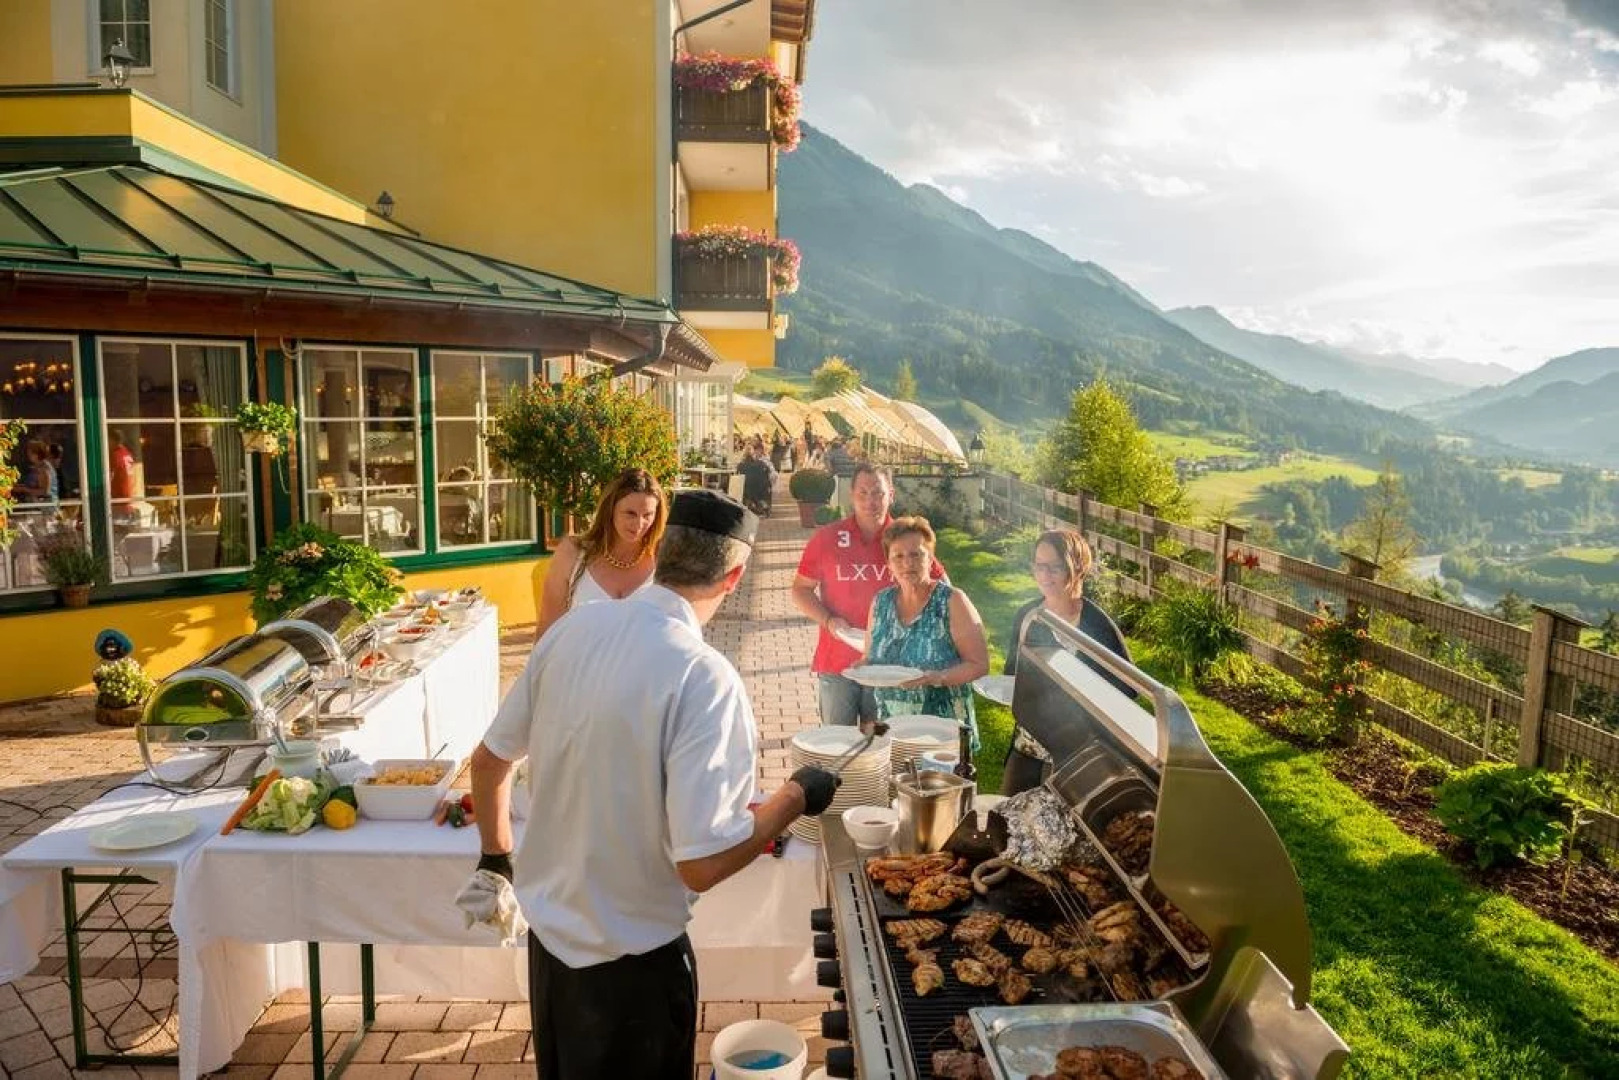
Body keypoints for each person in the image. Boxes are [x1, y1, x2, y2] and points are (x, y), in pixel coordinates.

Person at [470, 490, 840, 1080]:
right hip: (632, 971)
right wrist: (795, 796)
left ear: (659, 550)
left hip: (550, 954)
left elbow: (489, 763)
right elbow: (701, 863)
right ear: (736, 576)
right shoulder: (703, 675)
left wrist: (496, 861)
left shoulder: (572, 629)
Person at [792, 463, 943, 727]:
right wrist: (829, 620)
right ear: (851, 495)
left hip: (890, 665)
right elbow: (800, 589)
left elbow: (941, 589)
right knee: (838, 745)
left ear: (891, 495)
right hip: (837, 661)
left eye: (878, 493)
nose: (870, 501)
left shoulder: (907, 541)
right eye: (862, 493)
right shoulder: (827, 539)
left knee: (880, 746)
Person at [1000, 528, 1135, 795]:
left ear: (1078, 568)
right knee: (1007, 817)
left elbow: (1126, 690)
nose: (1044, 575)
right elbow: (1010, 677)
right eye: (1039, 566)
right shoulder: (1029, 617)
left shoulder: (1097, 625)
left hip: (1077, 753)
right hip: (1028, 745)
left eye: (1055, 567)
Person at [863, 516, 989, 747]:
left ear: (930, 559)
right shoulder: (880, 603)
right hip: (892, 726)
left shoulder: (951, 601)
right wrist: (860, 666)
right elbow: (870, 657)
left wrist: (939, 678)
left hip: (942, 731)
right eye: (898, 556)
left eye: (916, 554)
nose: (907, 563)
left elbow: (979, 664)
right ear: (888, 564)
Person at [534, 468, 666, 641]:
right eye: (630, 514)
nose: (639, 524)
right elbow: (547, 629)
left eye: (648, 515)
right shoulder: (572, 553)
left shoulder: (664, 558)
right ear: (610, 509)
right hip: (580, 666)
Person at [735, 445, 776, 517]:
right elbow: (769, 473)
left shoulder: (740, 465)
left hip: (747, 488)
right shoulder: (762, 463)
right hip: (763, 488)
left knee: (742, 485)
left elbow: (737, 476)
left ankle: (750, 505)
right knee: (763, 486)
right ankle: (762, 505)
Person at [108, 429, 137, 501]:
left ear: (112, 440)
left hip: (118, 496)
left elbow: (108, 476)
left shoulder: (115, 455)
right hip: (129, 494)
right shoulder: (127, 453)